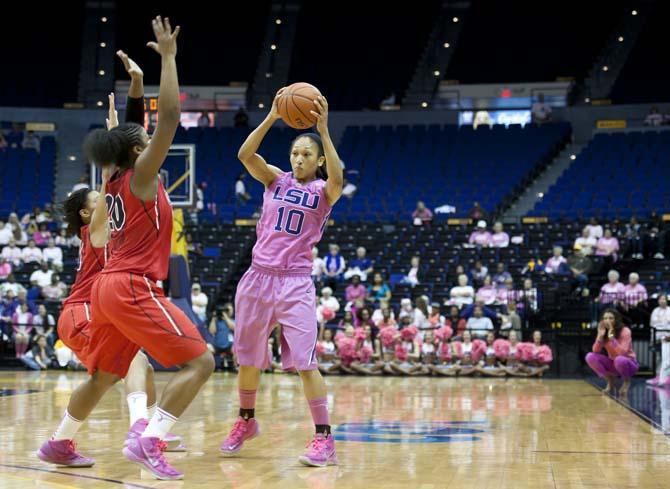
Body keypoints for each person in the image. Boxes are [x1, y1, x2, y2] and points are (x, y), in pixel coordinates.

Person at [66, 24, 211, 480]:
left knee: (105, 374)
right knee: (201, 361)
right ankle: (150, 439)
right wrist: (169, 57)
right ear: (137, 151)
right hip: (132, 285)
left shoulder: (114, 177)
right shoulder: (141, 177)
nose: (155, 144)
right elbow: (167, 118)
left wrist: (135, 86)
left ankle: (58, 440)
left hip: (106, 290)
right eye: (145, 143)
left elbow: (138, 128)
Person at [220, 83, 342, 467]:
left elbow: (338, 179)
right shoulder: (275, 179)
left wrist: (323, 131)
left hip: (294, 282)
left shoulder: (324, 191)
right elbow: (244, 154)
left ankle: (324, 437)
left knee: (306, 363)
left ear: (319, 161)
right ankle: (246, 421)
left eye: (306, 154)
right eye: (295, 152)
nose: (298, 158)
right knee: (249, 358)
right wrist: (273, 116)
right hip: (258, 277)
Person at [586, 309, 638, 397]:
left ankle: (626, 381)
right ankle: (610, 380)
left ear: (616, 320)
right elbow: (595, 351)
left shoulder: (625, 331)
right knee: (590, 356)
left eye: (611, 318)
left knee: (619, 359)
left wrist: (611, 337)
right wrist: (600, 336)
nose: (607, 321)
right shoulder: (604, 332)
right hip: (614, 363)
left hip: (629, 364)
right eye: (605, 318)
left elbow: (623, 353)